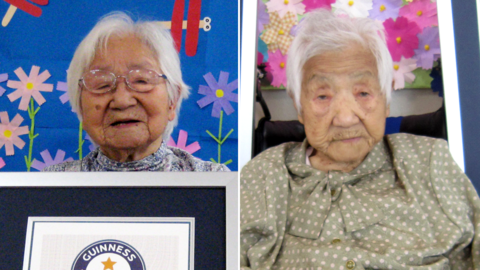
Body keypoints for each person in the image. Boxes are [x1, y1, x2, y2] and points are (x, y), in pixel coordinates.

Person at [241, 9, 480, 269]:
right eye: (323, 96)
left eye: (363, 93)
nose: (345, 118)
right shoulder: (263, 176)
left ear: (386, 98)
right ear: (299, 105)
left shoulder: (428, 162)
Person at [44, 12, 228, 172]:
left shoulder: (214, 185)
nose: (122, 100)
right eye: (102, 84)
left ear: (172, 100)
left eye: (141, 80)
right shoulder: (47, 189)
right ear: (81, 106)